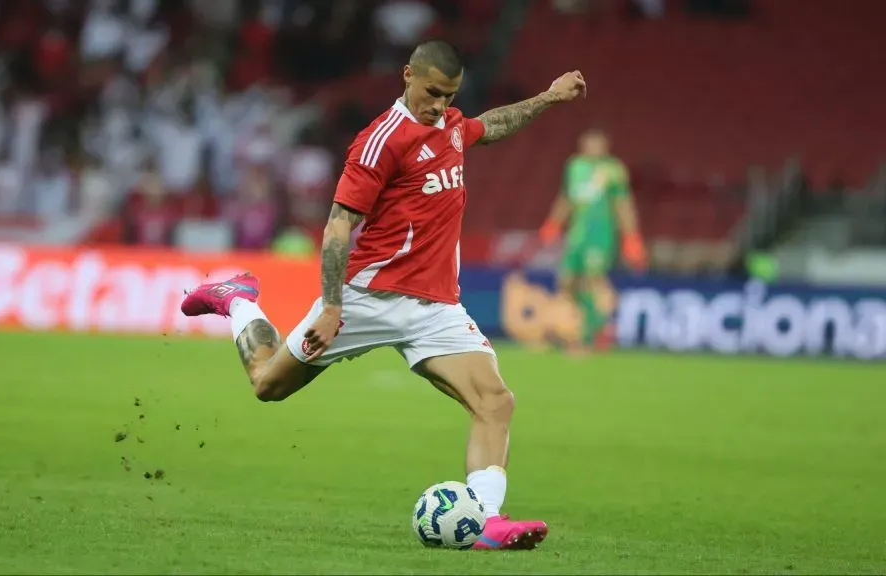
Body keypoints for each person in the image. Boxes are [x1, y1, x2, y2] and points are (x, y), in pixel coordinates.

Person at [181, 40, 586, 550]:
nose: (439, 105)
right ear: (407, 76)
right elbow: (336, 228)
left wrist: (548, 97)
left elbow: (492, 125)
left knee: (495, 401)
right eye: (432, 92)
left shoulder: (452, 127)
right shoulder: (380, 141)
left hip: (436, 306)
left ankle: (483, 521)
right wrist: (332, 307)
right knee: (268, 384)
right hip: (367, 298)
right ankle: (237, 298)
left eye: (449, 95)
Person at [538, 129, 646, 355]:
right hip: (577, 235)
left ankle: (589, 335)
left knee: (591, 282)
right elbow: (567, 197)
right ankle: (584, 329)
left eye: (597, 144)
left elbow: (623, 204)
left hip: (600, 235)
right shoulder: (575, 166)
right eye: (588, 144)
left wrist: (631, 237)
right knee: (567, 282)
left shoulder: (614, 170)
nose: (592, 148)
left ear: (605, 146)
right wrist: (554, 223)